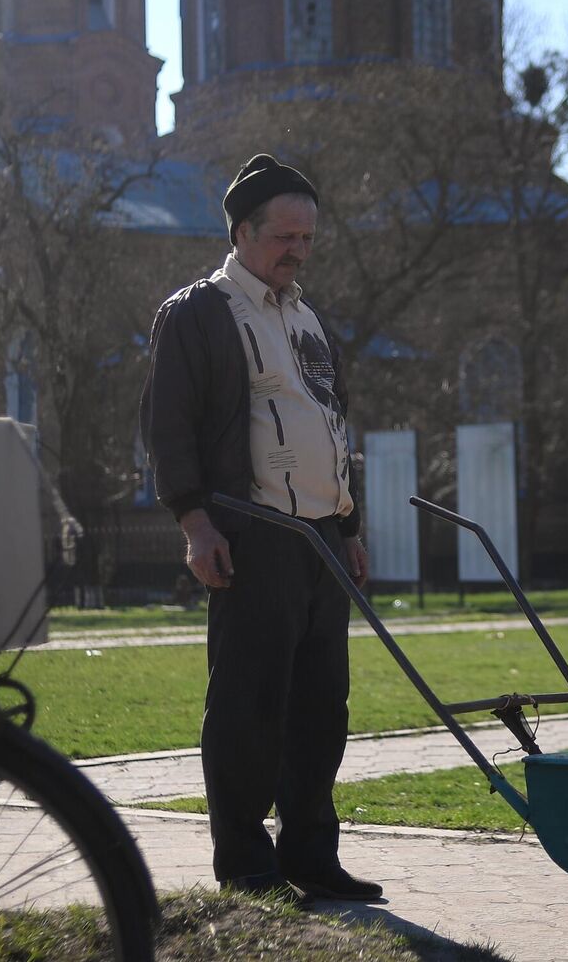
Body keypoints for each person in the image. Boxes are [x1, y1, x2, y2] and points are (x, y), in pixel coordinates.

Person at [140, 153, 379, 902]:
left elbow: (333, 424)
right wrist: (194, 521)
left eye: (308, 238)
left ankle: (310, 855)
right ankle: (244, 862)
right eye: (285, 236)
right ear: (243, 231)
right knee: (248, 706)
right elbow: (168, 427)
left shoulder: (308, 318)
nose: (298, 250)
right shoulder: (198, 312)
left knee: (320, 709)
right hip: (251, 532)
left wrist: (350, 525)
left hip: (319, 541)